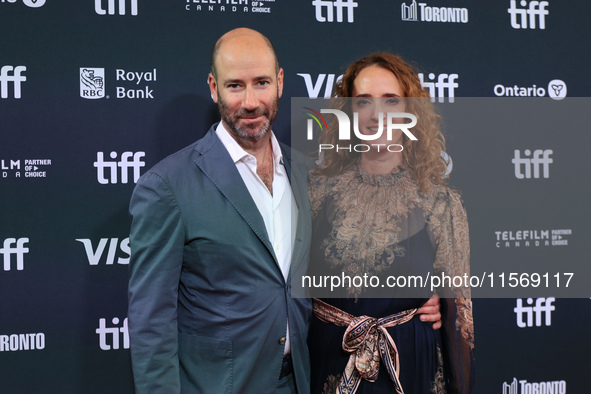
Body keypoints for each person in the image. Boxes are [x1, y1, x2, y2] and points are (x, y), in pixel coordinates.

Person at [128, 28, 442, 394]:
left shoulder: (310, 175)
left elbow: (344, 263)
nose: (250, 101)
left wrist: (418, 296)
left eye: (261, 82)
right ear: (213, 87)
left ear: (279, 83)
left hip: (303, 380)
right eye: (235, 86)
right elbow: (151, 323)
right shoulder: (168, 186)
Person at [307, 53, 474, 393]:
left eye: (391, 100)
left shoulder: (441, 202)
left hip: (412, 367)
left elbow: (461, 321)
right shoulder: (314, 191)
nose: (376, 114)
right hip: (330, 361)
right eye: (363, 101)